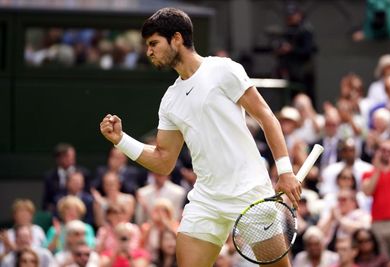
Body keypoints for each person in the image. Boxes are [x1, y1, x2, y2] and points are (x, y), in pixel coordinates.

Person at [99, 7, 301, 267]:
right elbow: (163, 160)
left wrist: (285, 171)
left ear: (177, 39)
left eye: (154, 43)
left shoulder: (222, 69)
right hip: (207, 199)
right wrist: (120, 139)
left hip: (251, 192)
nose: (148, 51)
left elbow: (266, 116)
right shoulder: (170, 100)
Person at [361, 138, 390, 260]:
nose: (386, 154)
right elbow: (367, 191)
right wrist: (377, 169)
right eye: (383, 150)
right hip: (378, 223)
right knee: (382, 260)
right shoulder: (370, 173)